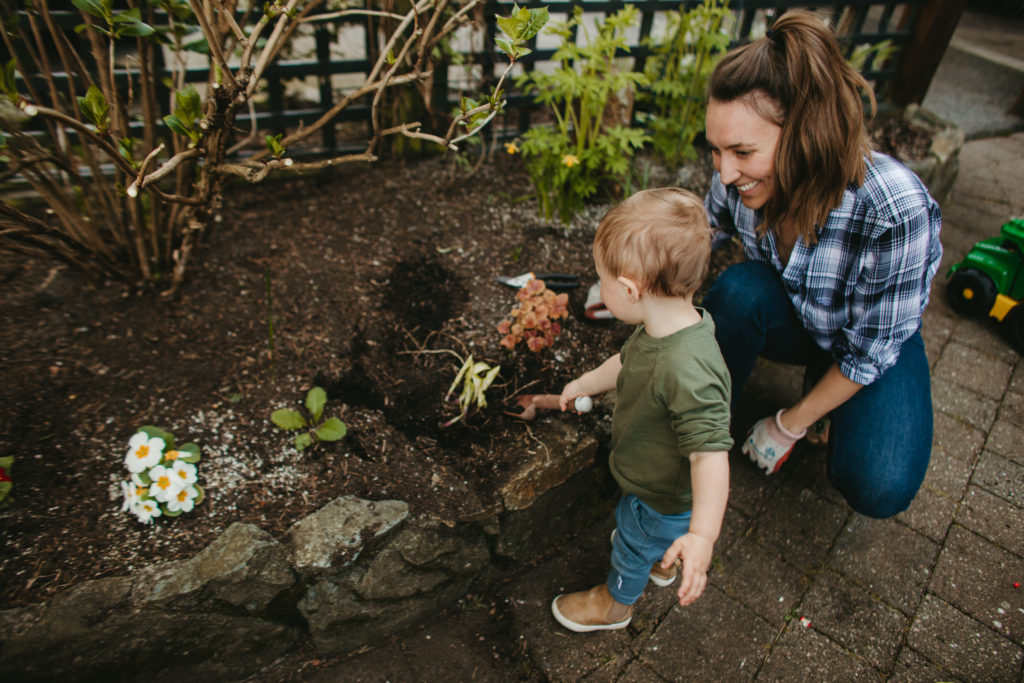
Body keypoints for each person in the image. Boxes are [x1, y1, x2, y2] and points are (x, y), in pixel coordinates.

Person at [700, 9, 943, 518]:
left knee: (880, 484)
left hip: (868, 340)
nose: (724, 173)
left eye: (742, 151)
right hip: (796, 312)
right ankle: (702, 428)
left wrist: (787, 423)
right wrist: (640, 281)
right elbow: (704, 231)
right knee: (738, 292)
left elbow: (869, 352)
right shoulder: (741, 177)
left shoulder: (894, 209)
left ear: (806, 133)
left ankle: (821, 400)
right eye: (717, 152)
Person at [551, 188, 732, 632]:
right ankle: (664, 561)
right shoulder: (666, 326)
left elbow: (709, 456)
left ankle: (615, 604)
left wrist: (703, 536)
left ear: (630, 289)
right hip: (659, 489)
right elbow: (626, 362)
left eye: (601, 279)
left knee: (631, 542)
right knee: (655, 538)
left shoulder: (688, 368)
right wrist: (583, 383)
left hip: (658, 499)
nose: (598, 286)